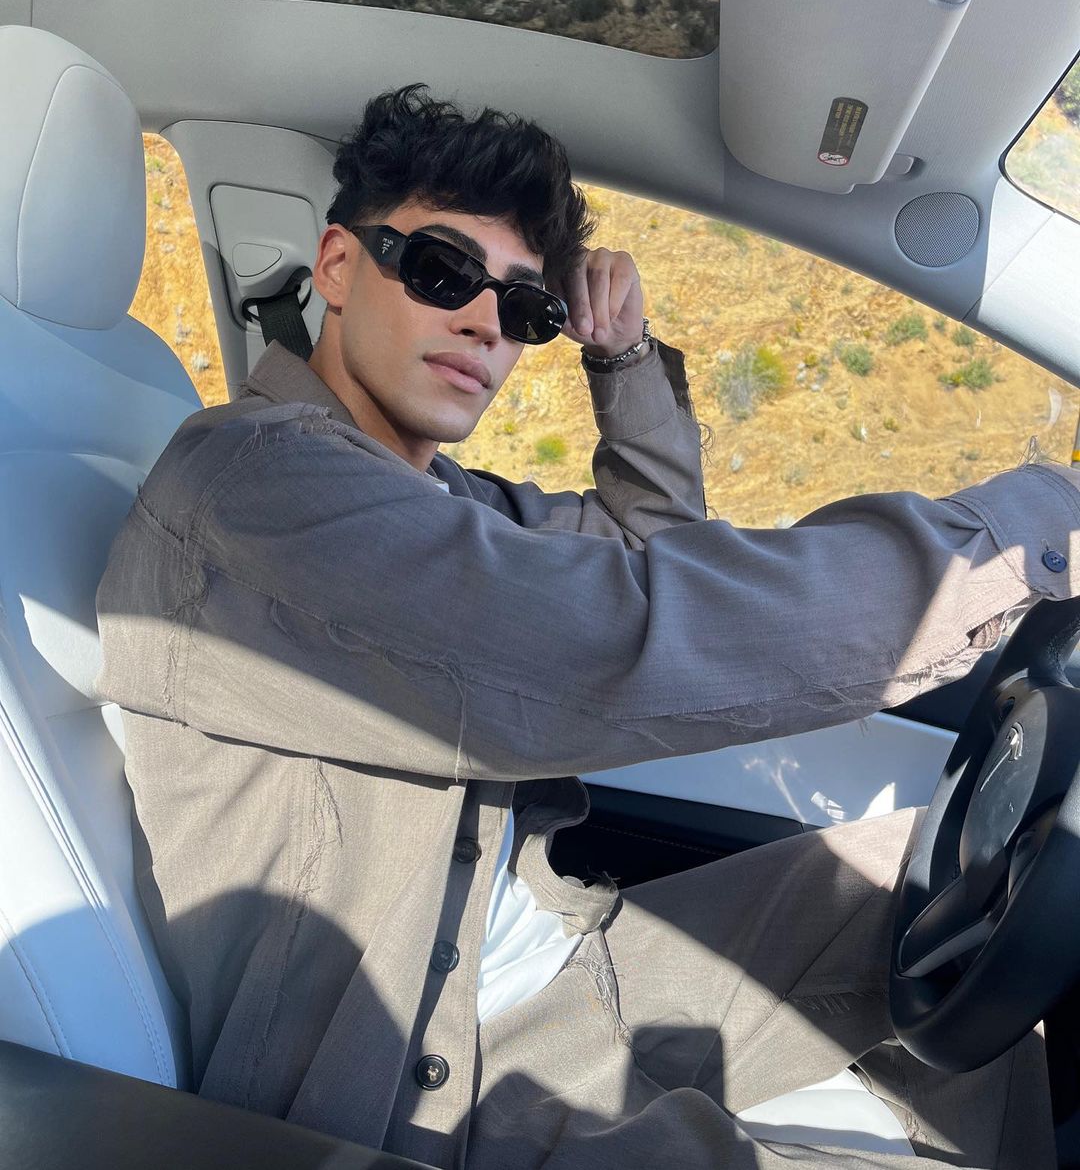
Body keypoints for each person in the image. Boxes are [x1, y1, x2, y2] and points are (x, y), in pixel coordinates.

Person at [95, 84, 1080, 1170]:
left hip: (552, 976)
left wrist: (620, 357)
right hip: (425, 1092)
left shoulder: (437, 499)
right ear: (336, 265)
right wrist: (1034, 535)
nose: (485, 323)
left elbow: (647, 546)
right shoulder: (257, 488)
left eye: (524, 308)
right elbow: (619, 635)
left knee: (961, 877)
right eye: (442, 271)